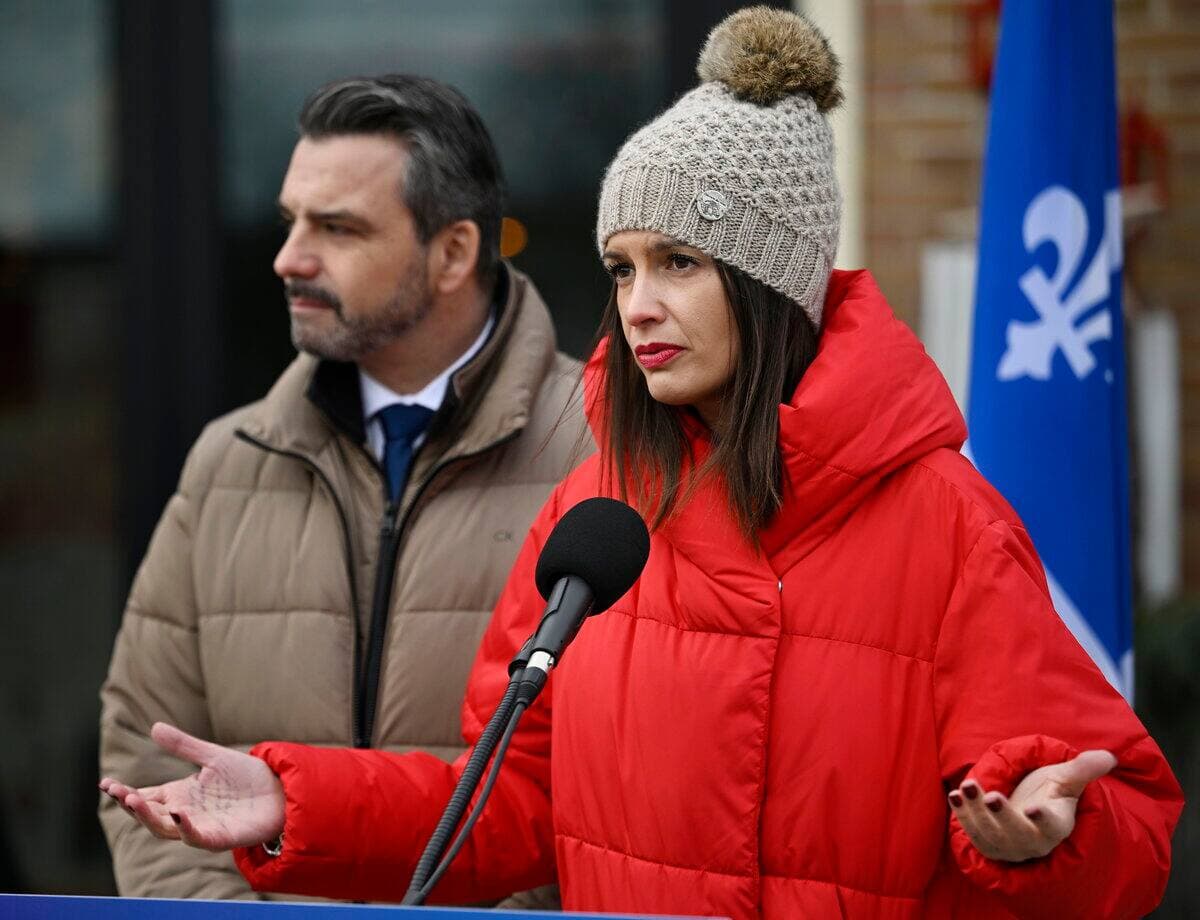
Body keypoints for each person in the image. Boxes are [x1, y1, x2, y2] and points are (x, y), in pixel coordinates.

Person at [101, 9, 1183, 919]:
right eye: (621, 267)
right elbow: (509, 804)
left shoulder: (948, 522)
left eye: (679, 263)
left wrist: (1048, 836)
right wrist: (297, 800)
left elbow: (1129, 822)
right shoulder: (598, 508)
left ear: (771, 286)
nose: (638, 305)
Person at [97, 74, 584, 907]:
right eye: (292, 220)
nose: (289, 257)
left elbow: (616, 795)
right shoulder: (226, 465)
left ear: (454, 253)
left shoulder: (605, 456)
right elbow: (144, 759)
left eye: (338, 227)